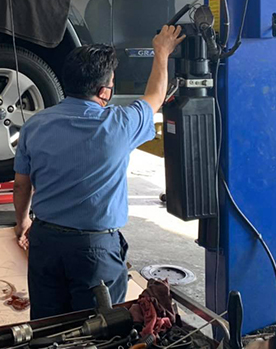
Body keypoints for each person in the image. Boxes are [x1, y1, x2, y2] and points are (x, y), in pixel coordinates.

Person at [13, 25, 185, 320]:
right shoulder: (119, 123)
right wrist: (162, 52)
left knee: (46, 327)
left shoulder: (35, 125)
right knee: (98, 329)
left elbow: (21, 185)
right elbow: (155, 96)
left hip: (45, 242)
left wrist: (22, 222)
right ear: (104, 91)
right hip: (94, 251)